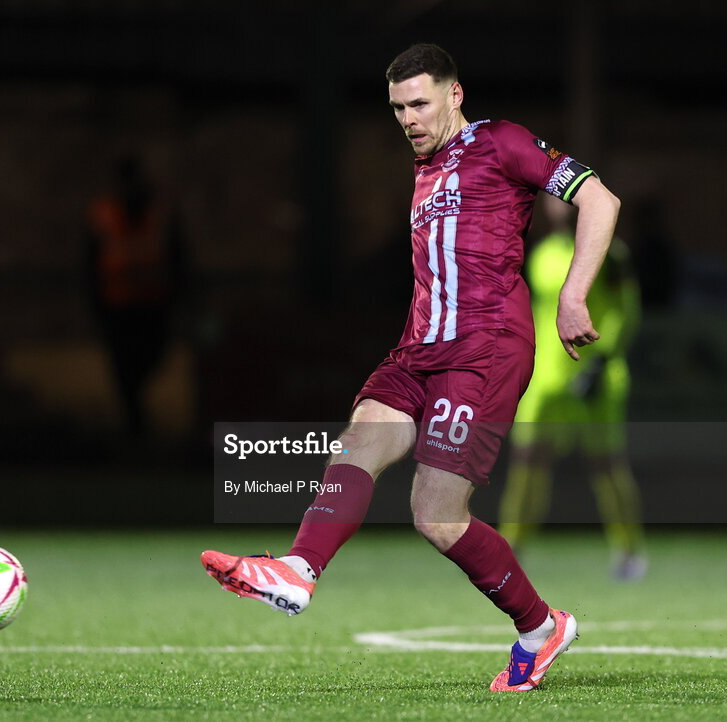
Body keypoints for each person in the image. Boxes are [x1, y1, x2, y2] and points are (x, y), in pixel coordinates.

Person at [201, 43, 620, 692]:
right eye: (397, 108)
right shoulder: (426, 171)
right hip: (418, 350)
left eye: (419, 103)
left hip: (484, 352)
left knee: (437, 515)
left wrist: (572, 294)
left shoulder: (502, 142)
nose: (408, 119)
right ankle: (299, 571)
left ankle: (540, 628)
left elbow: (600, 199)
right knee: (359, 442)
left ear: (456, 94)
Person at [499, 197, 646, 580]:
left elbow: (626, 310)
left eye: (565, 196)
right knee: (527, 463)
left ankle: (629, 551)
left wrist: (603, 358)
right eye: (552, 197)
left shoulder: (611, 253)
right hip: (546, 377)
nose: (558, 205)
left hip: (596, 374)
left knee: (607, 466)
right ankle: (511, 550)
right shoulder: (543, 254)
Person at [84, 155, 185, 438]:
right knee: (124, 374)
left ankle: (136, 426)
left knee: (148, 362)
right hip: (118, 309)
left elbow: (178, 260)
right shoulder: (102, 216)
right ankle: (135, 429)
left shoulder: (160, 215)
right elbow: (90, 264)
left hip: (153, 308)